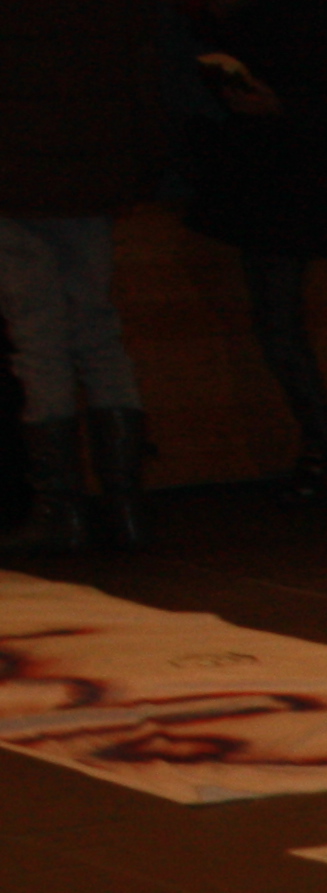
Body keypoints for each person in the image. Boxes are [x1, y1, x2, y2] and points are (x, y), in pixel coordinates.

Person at [0, 0, 178, 555]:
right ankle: (127, 507)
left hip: (13, 178)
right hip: (95, 178)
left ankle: (62, 511)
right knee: (99, 332)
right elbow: (145, 83)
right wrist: (140, 172)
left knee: (39, 341)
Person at [176, 0, 327, 503]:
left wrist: (278, 105)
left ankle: (326, 446)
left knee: (279, 328)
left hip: (277, 198)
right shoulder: (308, 38)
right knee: (280, 327)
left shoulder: (277, 38)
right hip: (291, 197)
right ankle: (324, 448)